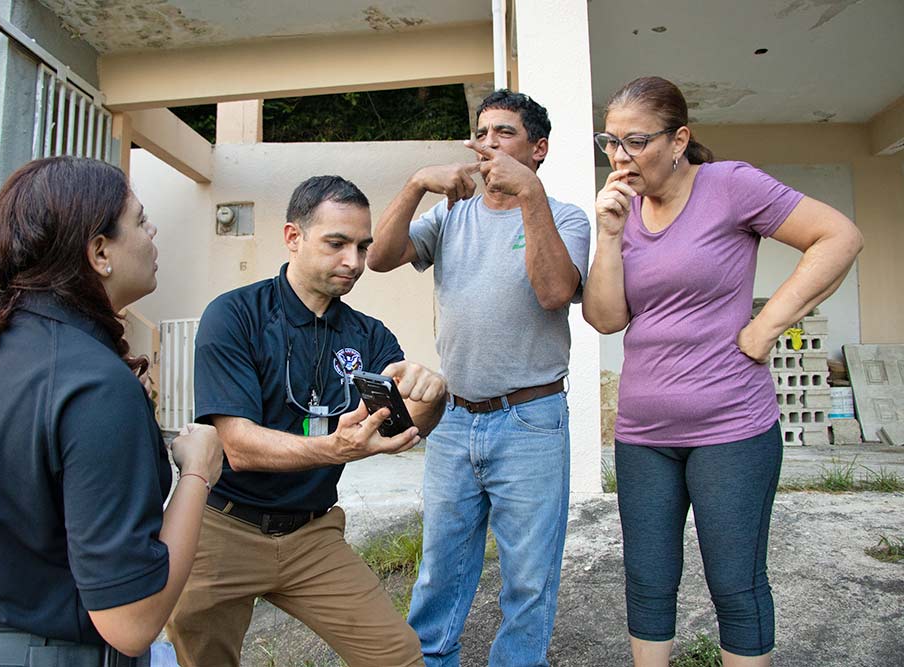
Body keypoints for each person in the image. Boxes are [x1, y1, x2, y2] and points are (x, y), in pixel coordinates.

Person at [584, 76, 864, 667]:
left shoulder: (729, 186)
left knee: (735, 586)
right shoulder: (623, 210)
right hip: (643, 434)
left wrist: (767, 328)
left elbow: (838, 237)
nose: (619, 156)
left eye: (635, 142)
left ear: (679, 138)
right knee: (647, 583)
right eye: (610, 141)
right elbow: (607, 319)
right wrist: (609, 237)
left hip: (731, 430)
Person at [0, 156, 224, 666]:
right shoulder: (94, 386)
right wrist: (198, 472)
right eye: (140, 220)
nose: (153, 229)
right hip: (34, 649)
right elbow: (132, 622)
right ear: (100, 252)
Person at [165, 175, 446, 667]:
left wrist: (431, 392)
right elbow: (239, 446)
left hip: (312, 535)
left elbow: (404, 425)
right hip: (223, 528)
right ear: (293, 237)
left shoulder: (368, 334)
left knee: (398, 657)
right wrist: (334, 449)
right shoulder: (234, 316)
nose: (354, 262)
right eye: (336, 244)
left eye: (362, 247)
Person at [368, 90, 591, 666]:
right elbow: (380, 257)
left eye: (505, 133)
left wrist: (530, 195)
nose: (487, 144)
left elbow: (554, 292)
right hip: (452, 417)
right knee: (440, 568)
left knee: (528, 579)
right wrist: (418, 181)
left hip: (530, 421)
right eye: (481, 132)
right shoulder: (450, 214)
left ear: (538, 149)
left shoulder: (564, 216)